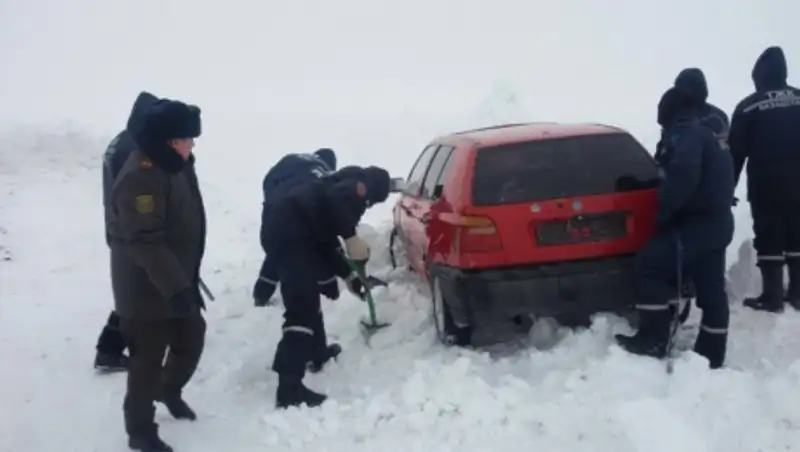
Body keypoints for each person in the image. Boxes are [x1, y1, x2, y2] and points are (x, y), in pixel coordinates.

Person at [107, 99, 207, 452]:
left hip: (176, 278)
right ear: (167, 140)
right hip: (145, 288)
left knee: (191, 338)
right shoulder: (142, 176)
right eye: (186, 139)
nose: (192, 145)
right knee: (146, 361)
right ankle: (139, 430)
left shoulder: (176, 165)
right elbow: (145, 240)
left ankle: (170, 389)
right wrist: (176, 287)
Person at [615, 86, 735, 369]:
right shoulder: (713, 137)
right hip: (718, 224)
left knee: (649, 264)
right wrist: (643, 184)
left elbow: (683, 176)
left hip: (697, 226)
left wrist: (665, 213)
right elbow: (693, 176)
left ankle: (653, 339)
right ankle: (712, 353)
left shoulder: (691, 136)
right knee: (711, 289)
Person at [265, 165, 391, 408]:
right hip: (291, 235)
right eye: (372, 202)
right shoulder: (358, 184)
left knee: (309, 298)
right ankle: (288, 387)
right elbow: (337, 204)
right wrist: (351, 236)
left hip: (292, 232)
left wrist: (349, 277)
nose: (369, 206)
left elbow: (326, 244)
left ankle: (317, 353)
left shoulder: (334, 189)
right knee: (301, 308)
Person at [729, 46, 800, 313]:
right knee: (797, 235)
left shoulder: (749, 107)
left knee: (770, 237)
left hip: (767, 186)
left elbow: (735, 153)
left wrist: (727, 189)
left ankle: (772, 296)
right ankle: (797, 292)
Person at [94, 91, 160, 372]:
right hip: (131, 230)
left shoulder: (124, 140)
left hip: (120, 226)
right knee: (137, 290)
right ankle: (110, 348)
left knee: (139, 287)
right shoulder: (132, 148)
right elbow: (137, 194)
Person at [253, 148, 338, 307]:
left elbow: (269, 179)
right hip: (299, 216)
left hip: (275, 211)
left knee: (277, 248)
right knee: (316, 247)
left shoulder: (294, 159)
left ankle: (261, 294)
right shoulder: (326, 173)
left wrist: (272, 202)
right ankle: (329, 292)